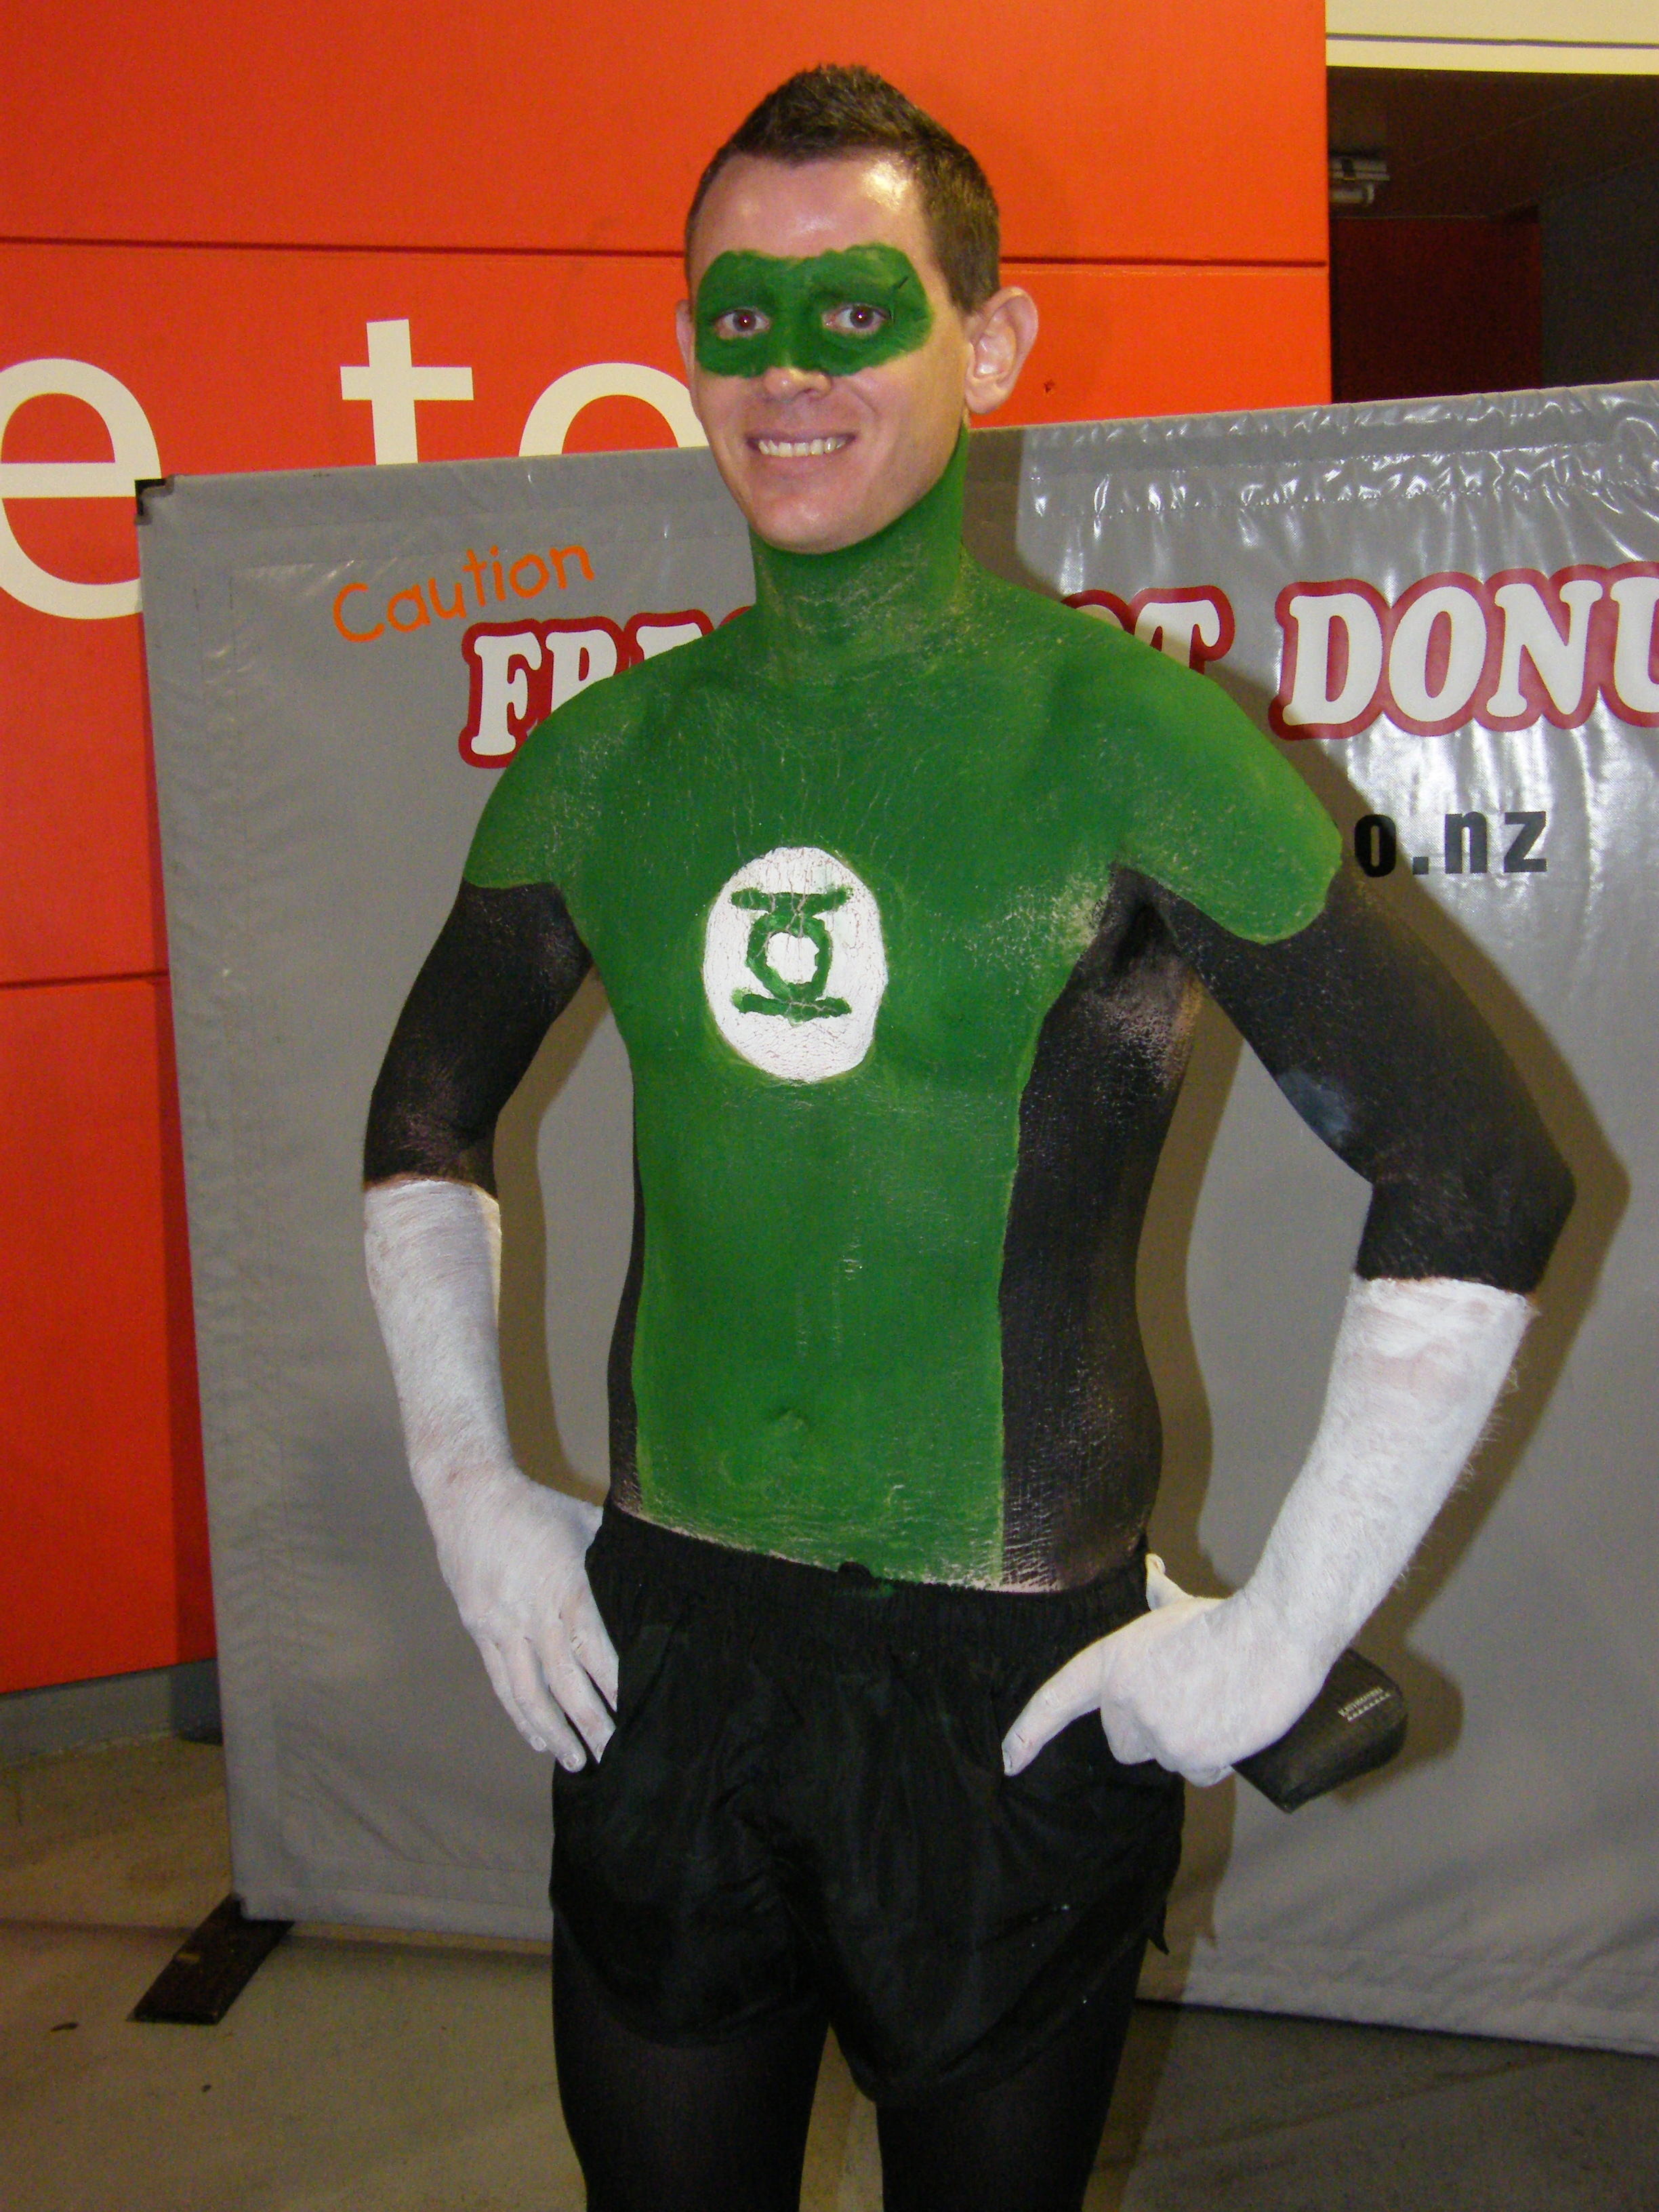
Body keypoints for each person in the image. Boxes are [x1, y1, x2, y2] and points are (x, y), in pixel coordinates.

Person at [363, 65, 1572, 2212]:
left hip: (1009, 1694)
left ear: (989, 344)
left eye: (855, 311)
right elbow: (422, 1120)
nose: (789, 373)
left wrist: (1284, 1633)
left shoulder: (1133, 743)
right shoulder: (606, 761)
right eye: (740, 318)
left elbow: (1479, 1170)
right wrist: (473, 1499)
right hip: (669, 1661)